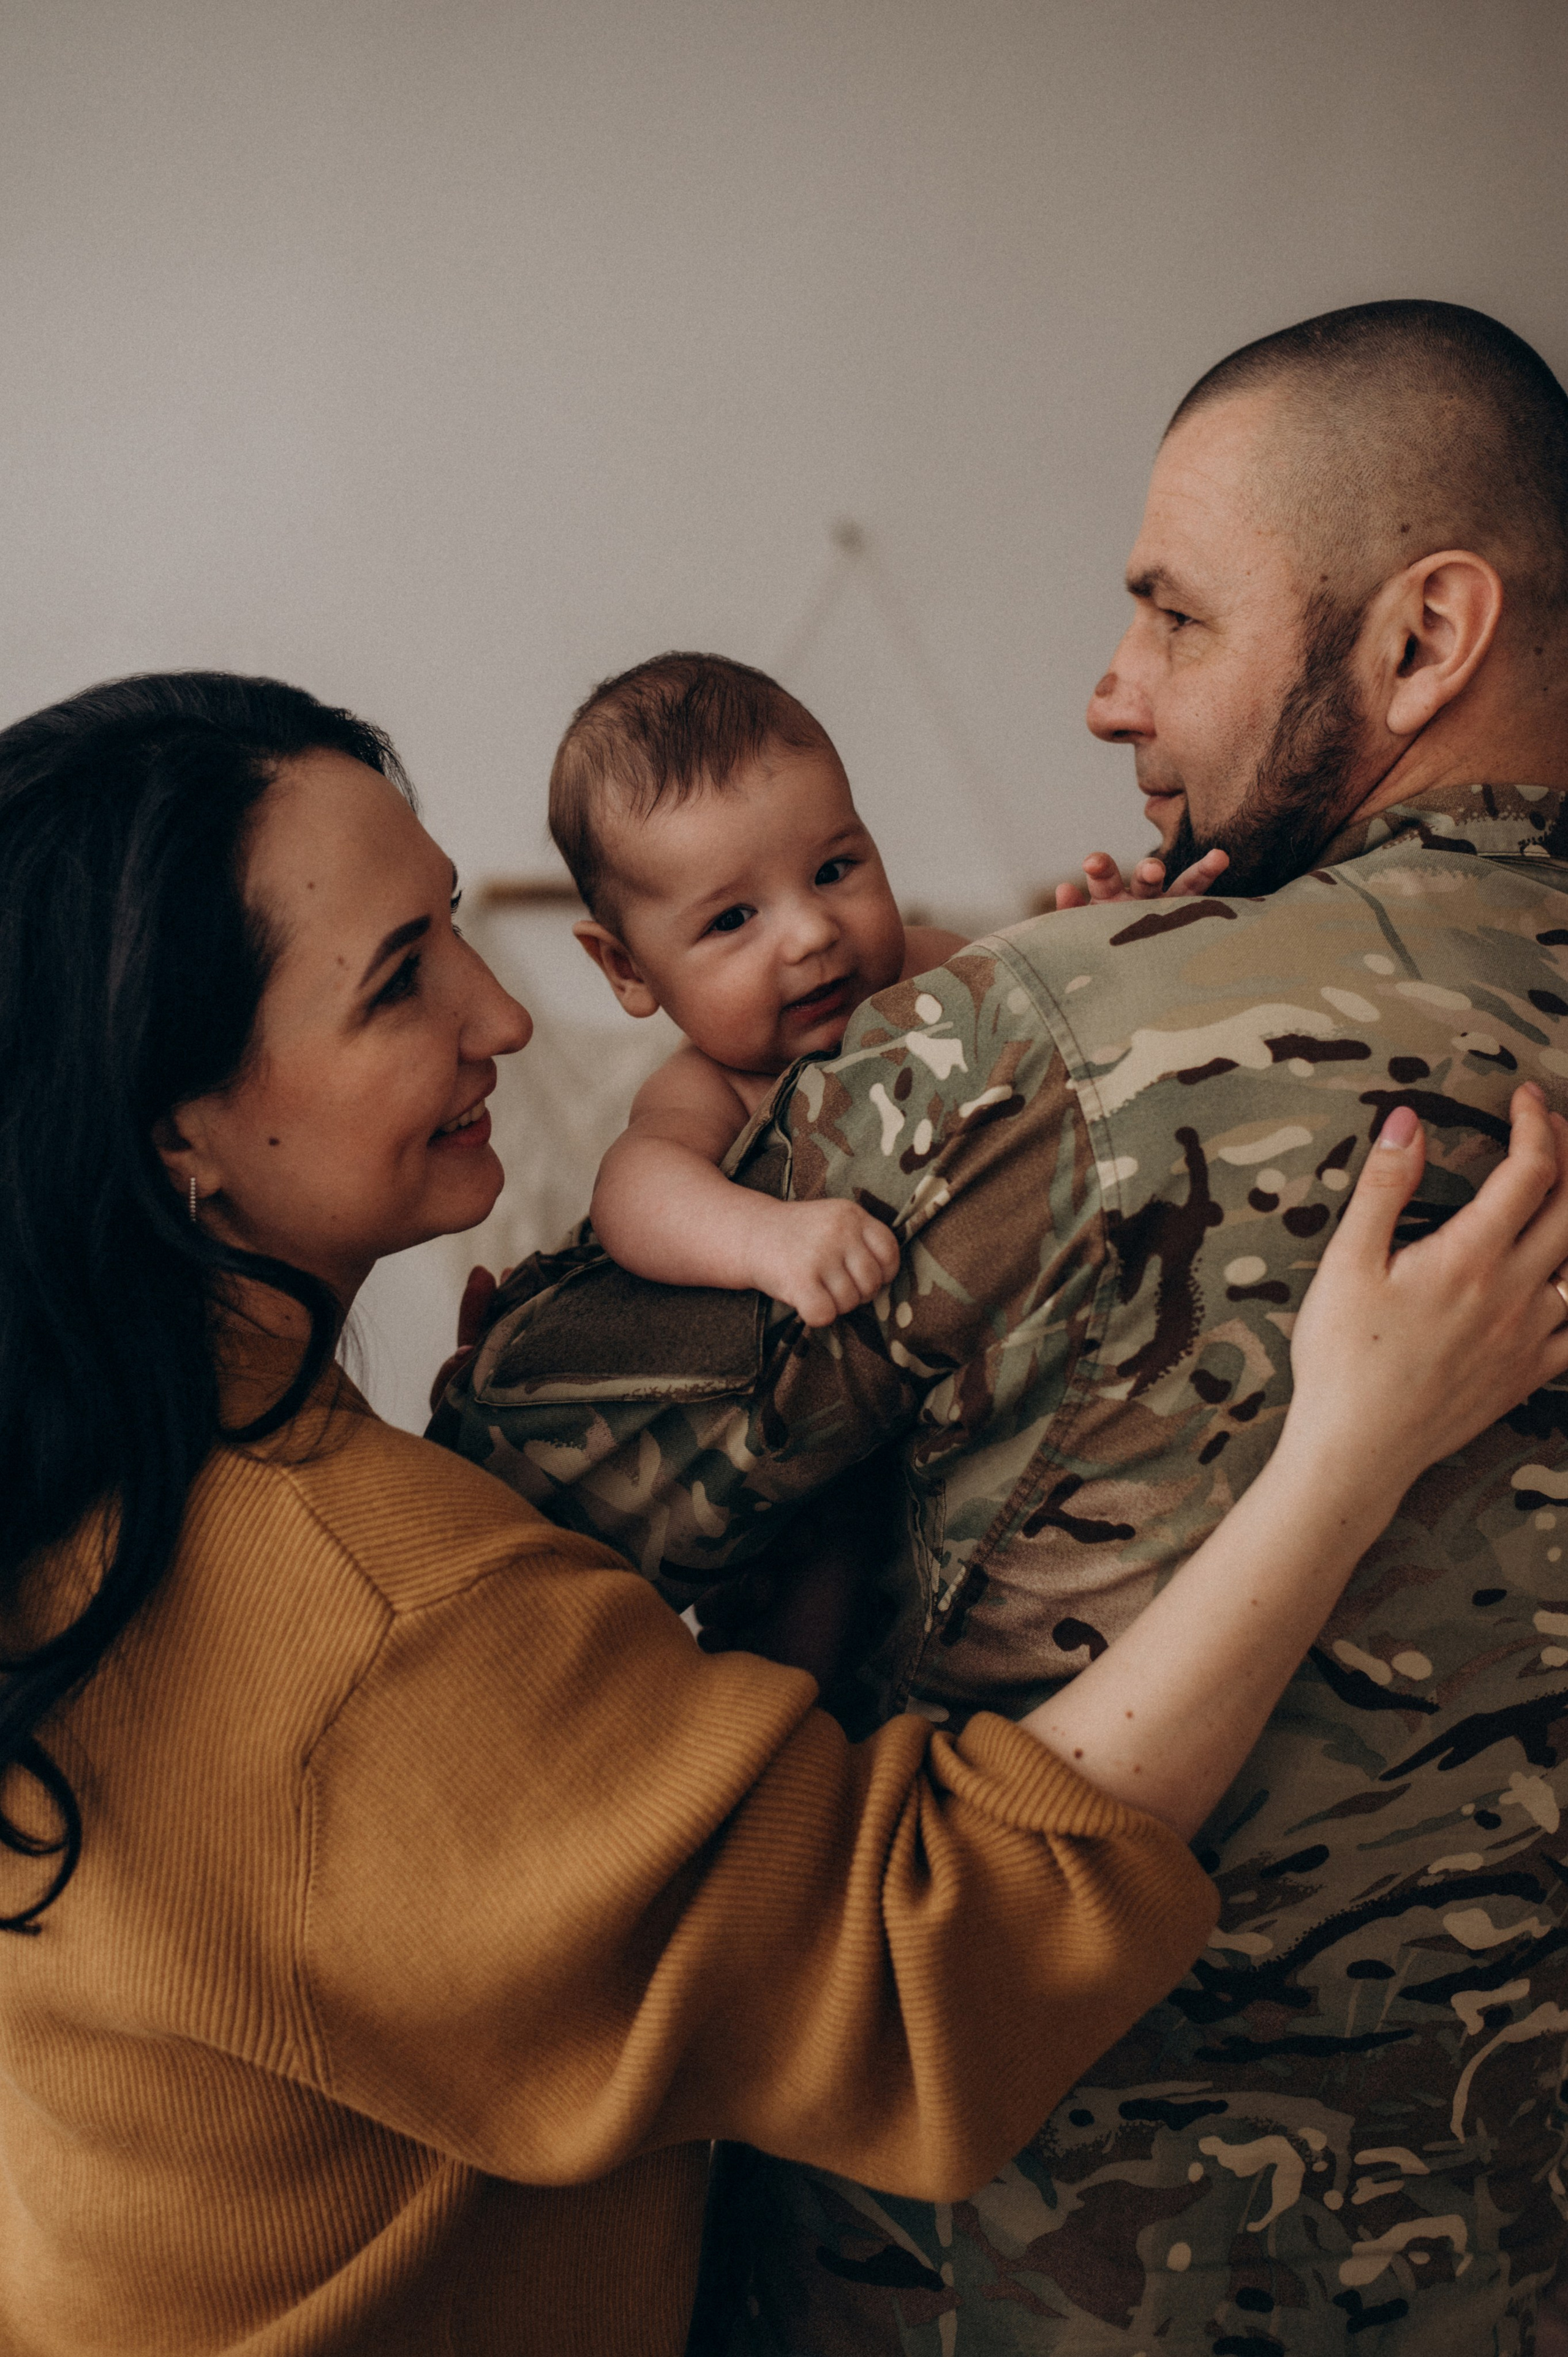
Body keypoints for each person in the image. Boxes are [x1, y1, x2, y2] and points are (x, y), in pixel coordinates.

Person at [5, 669, 1541, 2357]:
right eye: (398, 982)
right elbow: (926, 1959)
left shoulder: (115, 1484)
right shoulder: (357, 1619)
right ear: (176, 1136)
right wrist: (1349, 1452)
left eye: (453, 926)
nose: (502, 1022)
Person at [436, 300, 1568, 2350]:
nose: (1107, 692)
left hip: (1036, 2267)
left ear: (1423, 638)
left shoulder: (1049, 1037)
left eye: (1177, 618)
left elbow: (506, 1496)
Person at [549, 649, 1224, 1328]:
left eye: (832, 869)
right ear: (627, 969)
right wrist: (765, 1238)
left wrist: (1107, 945)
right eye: (732, 919)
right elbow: (631, 1194)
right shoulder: (710, 1091)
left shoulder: (930, 964)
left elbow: (1046, 1015)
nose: (812, 933)